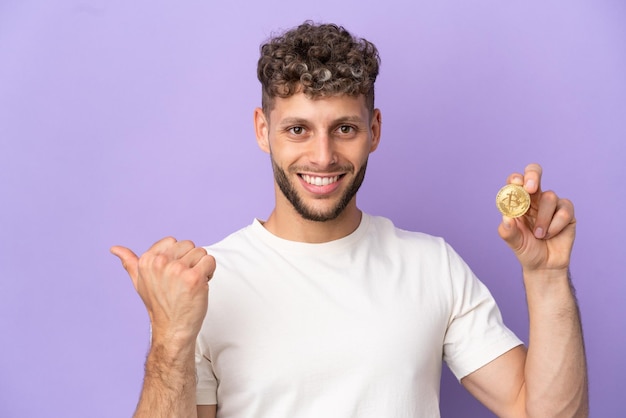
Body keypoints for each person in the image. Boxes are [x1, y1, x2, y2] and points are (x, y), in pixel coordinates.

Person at [111, 22, 588, 418]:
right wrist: (171, 340)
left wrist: (547, 278)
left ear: (373, 131)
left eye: (344, 129)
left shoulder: (431, 265)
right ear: (263, 130)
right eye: (298, 129)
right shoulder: (206, 282)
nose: (323, 156)